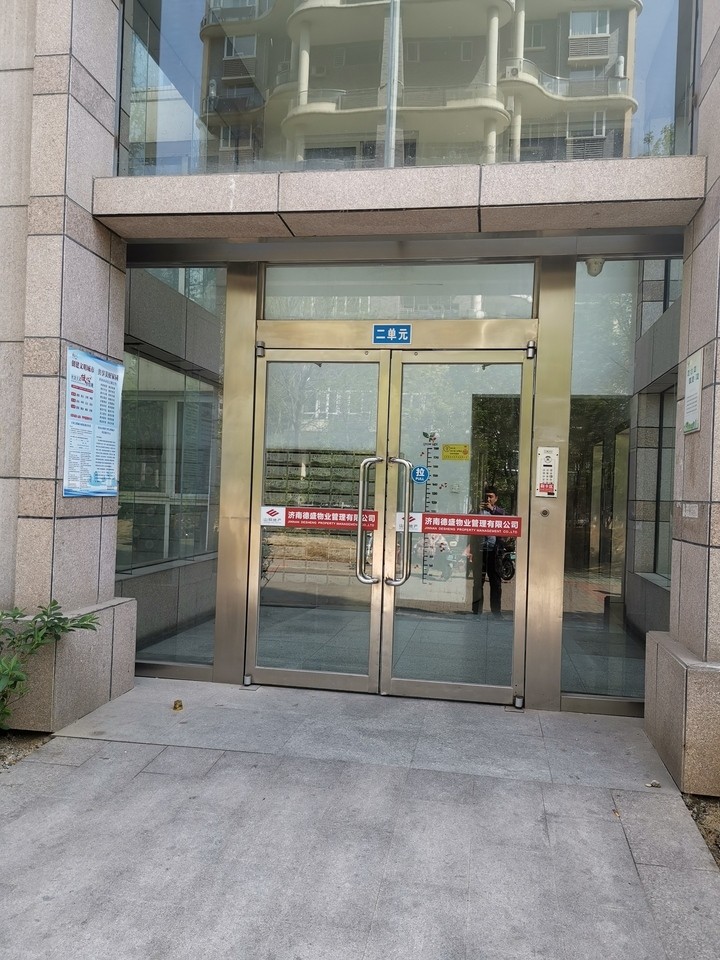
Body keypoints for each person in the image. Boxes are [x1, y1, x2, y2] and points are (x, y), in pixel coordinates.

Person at [468, 486, 505, 616]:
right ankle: (476, 611)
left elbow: (504, 517)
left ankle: (496, 612)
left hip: (494, 551)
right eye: (486, 496)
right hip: (480, 551)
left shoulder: (499, 511)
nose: (488, 499)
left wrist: (492, 510)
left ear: (496, 498)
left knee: (495, 582)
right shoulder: (477, 510)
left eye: (491, 497)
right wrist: (476, 510)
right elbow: (467, 522)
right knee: (478, 582)